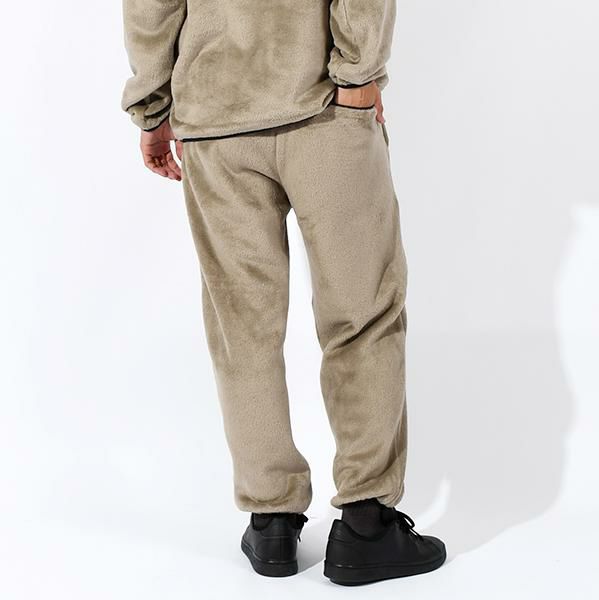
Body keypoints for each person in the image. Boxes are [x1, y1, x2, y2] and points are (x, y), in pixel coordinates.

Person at [121, 0, 446, 585]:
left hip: (215, 117)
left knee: (241, 326)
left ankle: (271, 518)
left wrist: (153, 106)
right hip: (323, 106)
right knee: (362, 314)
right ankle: (366, 524)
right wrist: (357, 75)